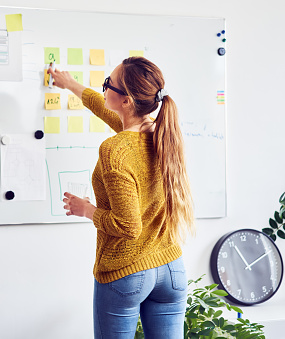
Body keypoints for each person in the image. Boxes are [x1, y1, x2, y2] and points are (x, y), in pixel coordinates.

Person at [48, 57, 195, 339]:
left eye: (108, 84)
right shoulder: (161, 134)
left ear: (126, 101)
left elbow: (128, 227)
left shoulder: (115, 149)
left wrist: (87, 209)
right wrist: (69, 84)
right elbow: (107, 113)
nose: (103, 89)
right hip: (170, 269)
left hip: (127, 273)